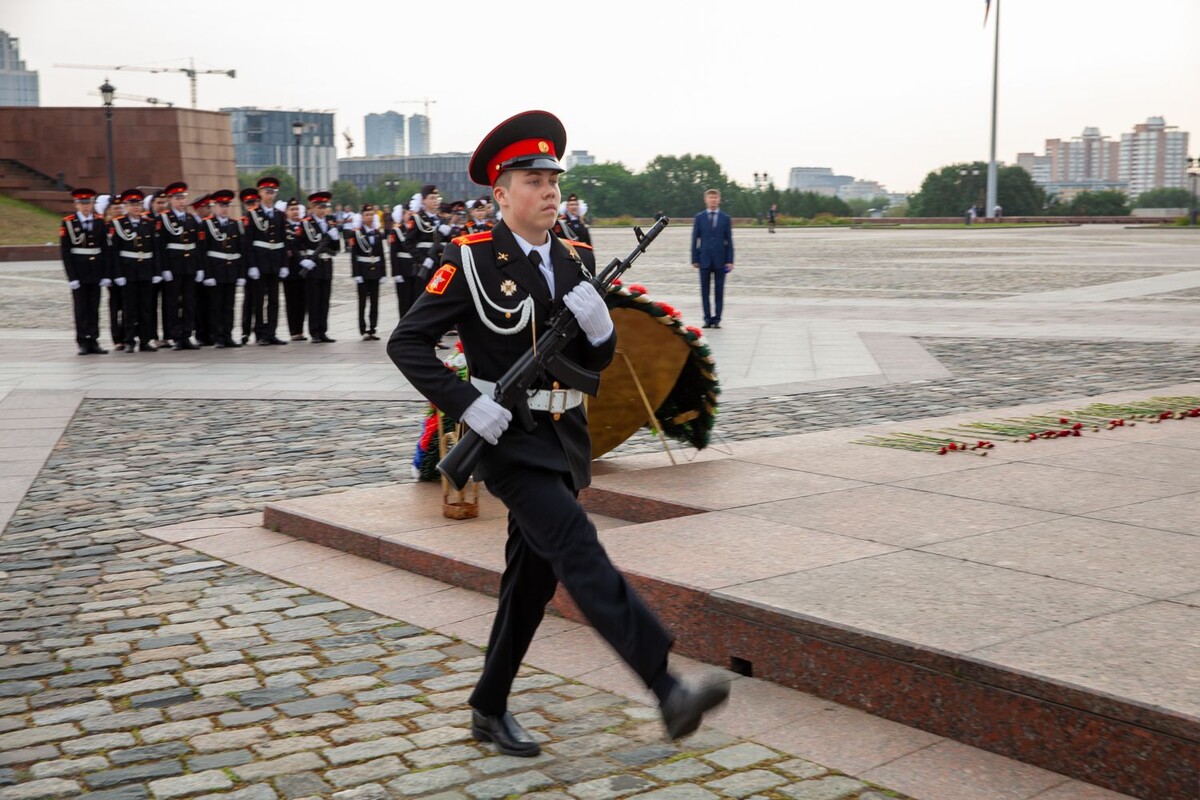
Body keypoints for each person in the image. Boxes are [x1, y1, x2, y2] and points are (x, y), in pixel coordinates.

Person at [388, 109, 729, 759]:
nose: (548, 190)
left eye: (552, 178)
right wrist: (469, 403)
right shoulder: (470, 261)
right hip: (510, 442)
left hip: (564, 439)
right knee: (577, 546)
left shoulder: (576, 257)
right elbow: (407, 344)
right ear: (500, 193)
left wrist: (601, 332)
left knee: (531, 582)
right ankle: (665, 687)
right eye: (531, 178)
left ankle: (488, 708)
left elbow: (591, 363)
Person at [60, 188, 111, 354]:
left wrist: (105, 274)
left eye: (88, 202)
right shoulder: (68, 222)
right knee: (81, 308)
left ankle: (94, 340)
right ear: (76, 204)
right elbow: (66, 252)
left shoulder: (99, 221)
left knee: (94, 307)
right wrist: (72, 277)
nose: (86, 206)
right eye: (82, 203)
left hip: (95, 270)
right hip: (79, 271)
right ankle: (82, 340)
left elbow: (105, 249)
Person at [108, 189, 160, 352]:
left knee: (146, 307)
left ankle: (145, 340)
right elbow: (114, 252)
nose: (136, 207)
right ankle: (129, 339)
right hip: (128, 270)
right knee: (129, 308)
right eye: (132, 204)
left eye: (138, 204)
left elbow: (156, 249)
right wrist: (117, 274)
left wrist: (157, 272)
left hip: (146, 270)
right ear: (126, 206)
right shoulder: (118, 224)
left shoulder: (148, 223)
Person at [243, 177, 291, 345]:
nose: (269, 195)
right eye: (266, 192)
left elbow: (283, 241)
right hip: (260, 261)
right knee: (259, 300)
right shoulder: (253, 214)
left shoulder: (279, 215)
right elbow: (248, 243)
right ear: (260, 194)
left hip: (275, 262)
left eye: (272, 192)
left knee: (274, 299)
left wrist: (284, 264)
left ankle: (271, 332)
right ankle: (261, 333)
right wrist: (252, 265)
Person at [200, 189, 248, 348]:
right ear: (214, 206)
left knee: (229, 305)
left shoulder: (235, 224)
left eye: (227, 205)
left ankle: (228, 335)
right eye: (221, 205)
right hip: (216, 271)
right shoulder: (207, 224)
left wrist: (241, 274)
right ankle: (218, 336)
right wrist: (207, 274)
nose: (225, 209)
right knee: (216, 306)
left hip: (231, 271)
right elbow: (203, 251)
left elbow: (241, 250)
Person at [156, 182, 201, 349]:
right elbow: (160, 246)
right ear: (170, 200)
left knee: (190, 302)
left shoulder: (190, 219)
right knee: (172, 303)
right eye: (178, 198)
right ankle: (175, 336)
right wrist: (164, 268)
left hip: (189, 266)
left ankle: (187, 334)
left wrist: (199, 267)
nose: (181, 201)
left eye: (183, 198)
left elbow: (198, 245)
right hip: (173, 266)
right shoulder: (163, 219)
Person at [297, 191, 340, 343]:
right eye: (319, 207)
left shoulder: (330, 223)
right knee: (314, 300)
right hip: (313, 265)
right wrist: (303, 260)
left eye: (324, 207)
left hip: (326, 265)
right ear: (312, 207)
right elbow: (298, 244)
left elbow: (336, 249)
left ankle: (323, 331)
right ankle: (314, 331)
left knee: (324, 300)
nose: (322, 210)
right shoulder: (305, 223)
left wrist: (335, 238)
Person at [691, 188, 734, 329]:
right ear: (706, 200)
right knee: (704, 290)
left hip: (720, 260)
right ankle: (707, 318)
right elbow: (695, 239)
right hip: (704, 260)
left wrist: (730, 260)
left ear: (719, 200)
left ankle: (717, 319)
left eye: (715, 198)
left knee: (719, 290)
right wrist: (694, 258)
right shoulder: (700, 217)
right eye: (710, 198)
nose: (713, 200)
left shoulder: (725, 218)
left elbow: (729, 241)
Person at [348, 204, 386, 340]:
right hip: (362, 271)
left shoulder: (377, 233)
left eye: (371, 214)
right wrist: (356, 273)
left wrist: (383, 273)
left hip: (375, 270)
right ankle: (363, 329)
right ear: (362, 217)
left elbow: (381, 254)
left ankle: (373, 329)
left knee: (375, 302)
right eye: (367, 215)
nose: (369, 217)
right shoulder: (356, 233)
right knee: (363, 302)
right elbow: (353, 255)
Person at [281, 198, 309, 341]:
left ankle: (300, 329)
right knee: (292, 301)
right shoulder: (284, 226)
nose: (295, 212)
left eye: (297, 209)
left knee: (303, 301)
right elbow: (288, 245)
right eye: (292, 210)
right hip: (290, 269)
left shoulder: (304, 226)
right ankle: (294, 331)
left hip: (304, 269)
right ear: (286, 212)